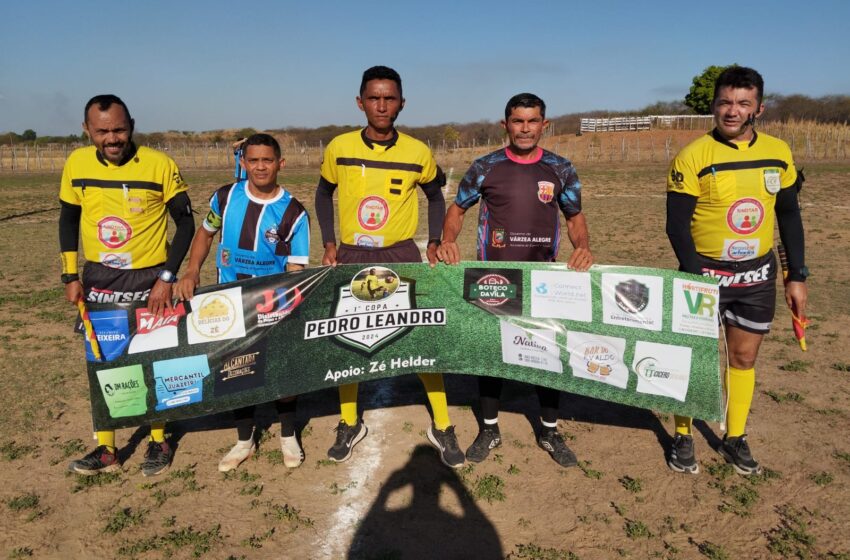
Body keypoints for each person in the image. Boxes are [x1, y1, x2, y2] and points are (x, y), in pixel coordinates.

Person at [315, 65, 463, 468]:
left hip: (399, 254)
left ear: (402, 103)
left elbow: (435, 197)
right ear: (360, 102)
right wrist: (329, 242)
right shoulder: (339, 147)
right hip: (351, 255)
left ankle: (443, 424)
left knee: (418, 341)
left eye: (390, 98)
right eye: (374, 98)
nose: (382, 105)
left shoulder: (416, 151)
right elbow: (323, 191)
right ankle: (349, 422)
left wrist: (434, 240)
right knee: (348, 340)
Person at [437, 93, 593, 467]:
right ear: (506, 124)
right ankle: (489, 428)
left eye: (533, 121)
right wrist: (446, 241)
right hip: (496, 277)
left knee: (548, 353)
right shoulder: (485, 166)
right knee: (492, 355)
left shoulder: (561, 168)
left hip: (545, 278)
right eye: (518, 121)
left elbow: (574, 217)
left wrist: (583, 247)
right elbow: (457, 210)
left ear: (545, 124)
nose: (525, 128)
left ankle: (550, 430)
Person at [665, 66, 807, 475]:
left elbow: (790, 216)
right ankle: (684, 435)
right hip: (703, 274)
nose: (732, 111)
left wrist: (796, 275)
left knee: (743, 358)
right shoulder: (693, 156)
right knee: (694, 360)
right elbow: (676, 226)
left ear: (758, 108)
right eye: (725, 102)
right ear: (714, 105)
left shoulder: (779, 152)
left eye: (743, 103)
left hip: (755, 277)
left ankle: (735, 436)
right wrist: (697, 276)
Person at [61, 94, 195, 476]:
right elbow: (68, 220)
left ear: (132, 125)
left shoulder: (159, 164)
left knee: (151, 361)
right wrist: (70, 275)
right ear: (87, 130)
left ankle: (158, 440)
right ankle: (106, 449)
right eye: (102, 131)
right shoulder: (76, 163)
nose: (112, 138)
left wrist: (167, 277)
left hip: (149, 279)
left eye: (119, 129)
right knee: (103, 361)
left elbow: (185, 222)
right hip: (99, 278)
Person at [173, 133, 310, 472]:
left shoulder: (294, 213)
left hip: (270, 304)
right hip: (228, 302)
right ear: (244, 162)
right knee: (235, 371)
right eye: (254, 160)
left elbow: (295, 269)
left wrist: (283, 305)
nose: (260, 166)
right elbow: (205, 232)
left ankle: (288, 434)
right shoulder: (226, 196)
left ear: (280, 163)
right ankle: (244, 439)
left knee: (281, 369)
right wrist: (191, 270)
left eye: (267, 160)